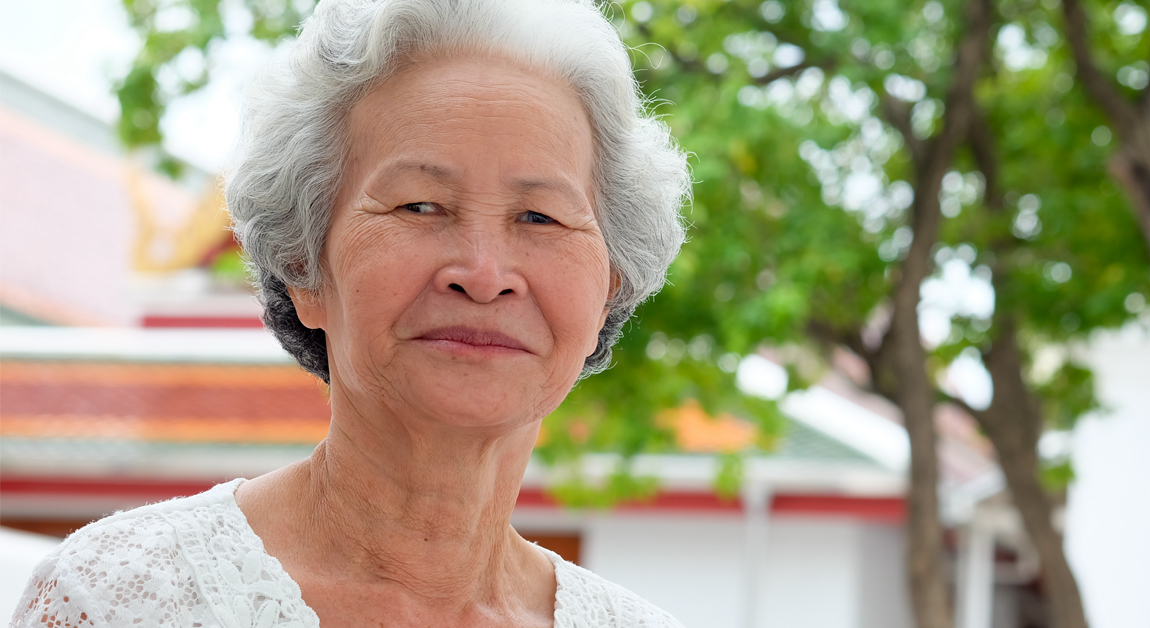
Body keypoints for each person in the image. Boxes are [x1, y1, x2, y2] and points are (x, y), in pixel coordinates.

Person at [12, 0, 690, 626]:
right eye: (419, 206)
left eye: (539, 216)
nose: (483, 276)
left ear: (610, 284)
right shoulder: (122, 598)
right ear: (304, 264)